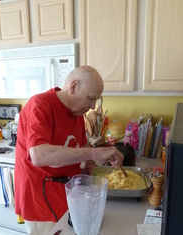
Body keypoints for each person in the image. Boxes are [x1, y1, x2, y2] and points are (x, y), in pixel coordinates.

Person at [14, 65, 124, 235]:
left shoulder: (77, 113)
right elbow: (39, 155)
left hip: (68, 192)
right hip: (40, 198)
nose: (93, 106)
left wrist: (90, 164)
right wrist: (96, 152)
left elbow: (82, 145)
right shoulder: (40, 105)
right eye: (90, 98)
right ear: (73, 86)